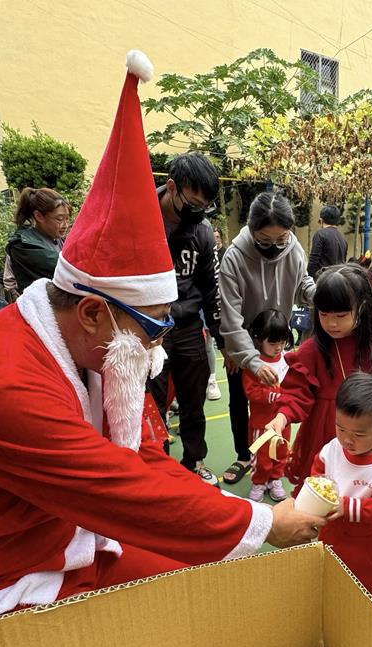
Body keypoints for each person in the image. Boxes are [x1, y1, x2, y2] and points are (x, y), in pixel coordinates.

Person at [0, 51, 323, 647]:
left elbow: (142, 460)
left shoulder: (88, 351)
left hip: (23, 524)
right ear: (94, 312)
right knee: (154, 619)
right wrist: (265, 525)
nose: (158, 344)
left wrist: (243, 518)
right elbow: (119, 491)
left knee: (191, 573)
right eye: (152, 326)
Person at [265, 264, 372, 496]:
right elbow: (296, 393)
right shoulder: (312, 350)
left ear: (361, 308)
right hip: (322, 436)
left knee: (362, 494)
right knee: (318, 495)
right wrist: (282, 417)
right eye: (324, 314)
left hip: (365, 435)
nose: (331, 323)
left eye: (341, 316)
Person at [218, 192, 316, 485]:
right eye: (264, 240)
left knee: (278, 403)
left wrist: (321, 294)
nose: (273, 247)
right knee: (240, 399)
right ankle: (244, 456)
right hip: (244, 345)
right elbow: (231, 317)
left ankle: (275, 460)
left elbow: (303, 284)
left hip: (276, 342)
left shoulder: (294, 250)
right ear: (251, 230)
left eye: (281, 239)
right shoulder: (234, 257)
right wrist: (248, 358)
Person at [148, 152, 223, 485]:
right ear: (172, 187)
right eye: (193, 204)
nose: (198, 212)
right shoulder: (142, 219)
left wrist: (221, 337)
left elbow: (210, 287)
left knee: (193, 401)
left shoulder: (202, 232)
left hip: (189, 326)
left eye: (204, 206)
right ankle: (158, 469)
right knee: (152, 404)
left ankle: (195, 461)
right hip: (148, 329)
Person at [311, 372, 372, 610]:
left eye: (359, 434)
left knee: (369, 584)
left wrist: (348, 506)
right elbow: (318, 472)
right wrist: (316, 493)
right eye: (340, 428)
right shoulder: (333, 448)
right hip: (332, 531)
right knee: (331, 570)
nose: (347, 440)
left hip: (368, 541)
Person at [243, 309, 292, 503]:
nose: (278, 347)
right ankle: (259, 481)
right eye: (273, 343)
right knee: (261, 454)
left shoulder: (288, 359)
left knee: (281, 451)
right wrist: (273, 395)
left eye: (282, 342)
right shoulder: (254, 364)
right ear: (258, 339)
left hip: (283, 420)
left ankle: (275, 479)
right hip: (261, 423)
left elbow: (294, 385)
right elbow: (251, 391)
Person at [6, 187, 71, 294]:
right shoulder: (23, 245)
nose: (65, 225)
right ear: (39, 216)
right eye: (59, 219)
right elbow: (67, 268)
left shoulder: (58, 238)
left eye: (67, 218)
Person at [204, 226, 226, 401]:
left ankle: (212, 379)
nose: (215, 240)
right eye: (213, 237)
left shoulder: (225, 255)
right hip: (194, 304)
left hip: (212, 302)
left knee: (208, 342)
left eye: (218, 237)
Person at [308, 205, 348, 278]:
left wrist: (308, 278)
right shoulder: (343, 239)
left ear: (321, 220)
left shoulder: (320, 234)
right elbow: (343, 262)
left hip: (323, 279)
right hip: (338, 280)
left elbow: (313, 261)